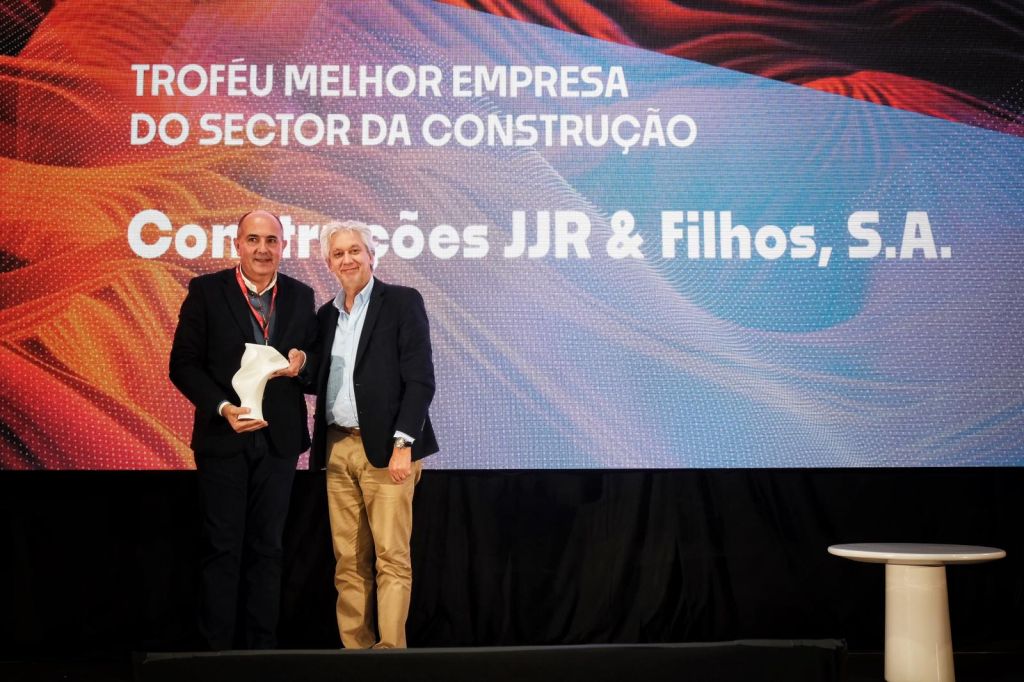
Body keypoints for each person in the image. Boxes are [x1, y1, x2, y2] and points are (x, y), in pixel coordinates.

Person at [169, 209, 316, 650]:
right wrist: (222, 408)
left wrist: (303, 364)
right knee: (222, 547)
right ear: (237, 244)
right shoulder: (206, 291)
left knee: (268, 548)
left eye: (271, 241)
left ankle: (260, 654)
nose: (262, 249)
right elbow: (183, 365)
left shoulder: (301, 295)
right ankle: (216, 655)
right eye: (253, 239)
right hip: (223, 437)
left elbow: (313, 367)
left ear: (283, 246)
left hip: (279, 441)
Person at [309, 220, 438, 649]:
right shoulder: (325, 317)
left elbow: (420, 380)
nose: (347, 259)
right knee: (347, 561)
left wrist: (404, 444)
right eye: (338, 254)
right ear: (329, 264)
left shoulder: (401, 302)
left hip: (388, 449)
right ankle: (356, 654)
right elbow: (317, 378)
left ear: (371, 256)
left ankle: (391, 655)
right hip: (337, 447)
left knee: (391, 558)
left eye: (355, 251)